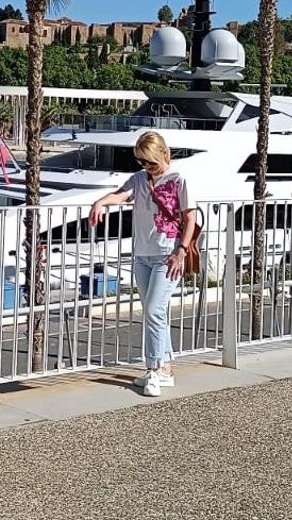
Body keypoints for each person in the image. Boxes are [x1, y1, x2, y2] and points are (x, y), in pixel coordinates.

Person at [89, 130, 196, 397]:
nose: (146, 167)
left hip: (167, 254)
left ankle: (154, 369)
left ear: (163, 153)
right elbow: (121, 195)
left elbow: (190, 217)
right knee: (154, 311)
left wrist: (181, 251)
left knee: (153, 310)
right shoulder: (139, 179)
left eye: (150, 161)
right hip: (143, 255)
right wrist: (101, 202)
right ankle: (166, 369)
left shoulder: (178, 179)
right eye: (142, 162)